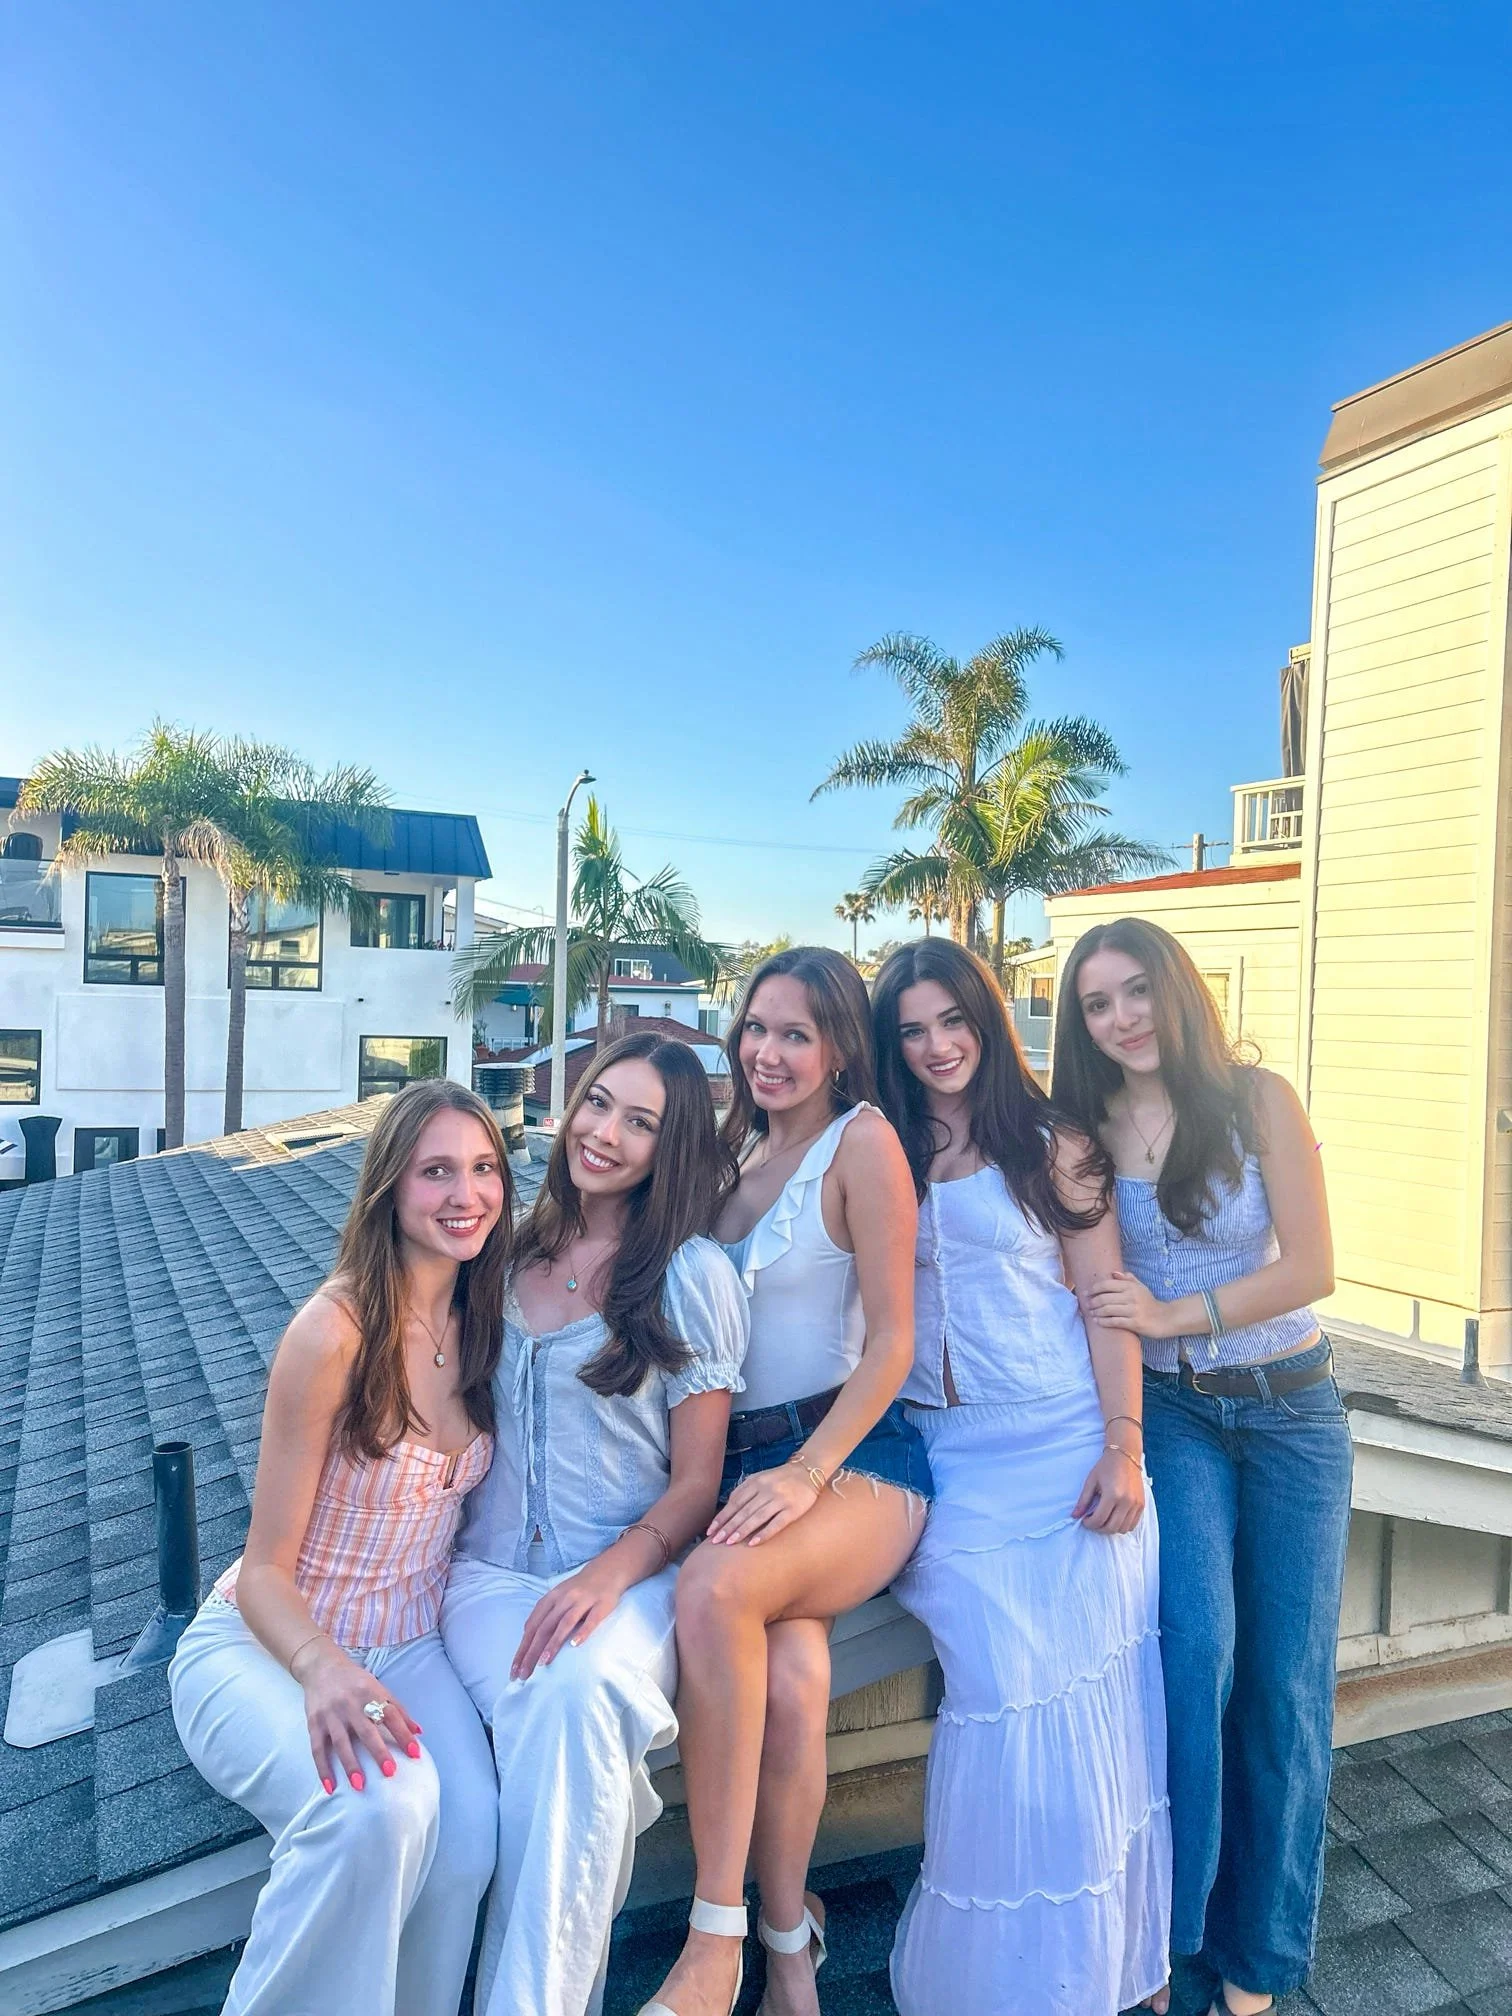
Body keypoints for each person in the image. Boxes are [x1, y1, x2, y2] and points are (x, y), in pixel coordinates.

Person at [871, 939, 1169, 2016]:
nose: (938, 1044)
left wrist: (1124, 1445)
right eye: (912, 1028)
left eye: (953, 1019)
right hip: (942, 1462)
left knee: (1078, 1707)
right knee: (1001, 1684)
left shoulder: (1054, 1144)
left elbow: (1106, 1301)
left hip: (1066, 1449)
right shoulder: (882, 1149)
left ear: (988, 1019)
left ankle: (1075, 1981)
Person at [169, 1079, 512, 2016]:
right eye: (436, 1170)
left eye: (484, 1169)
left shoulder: (488, 1321)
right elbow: (265, 1568)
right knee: (377, 1809)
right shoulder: (334, 1332)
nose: (465, 1194)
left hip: (412, 1646)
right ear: (391, 1188)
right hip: (270, 1641)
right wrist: (321, 1668)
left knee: (472, 1837)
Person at [1055, 917, 1346, 2016]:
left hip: (1294, 1415)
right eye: (1096, 1003)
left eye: (1137, 992)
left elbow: (1318, 1264)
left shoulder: (1258, 1099)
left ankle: (1257, 1963)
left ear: (1178, 990)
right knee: (1196, 1658)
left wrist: (1179, 1309)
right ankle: (1173, 1942)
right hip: (1172, 1417)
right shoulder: (1081, 1129)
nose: (1121, 1018)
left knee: (1283, 1687)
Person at [641, 946, 931, 2016]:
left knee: (714, 1588)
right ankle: (789, 1947)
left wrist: (810, 1474)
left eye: (796, 1034)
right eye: (757, 1027)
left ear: (840, 1047)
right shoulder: (727, 1155)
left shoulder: (865, 1144)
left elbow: (895, 1342)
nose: (768, 1051)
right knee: (797, 1689)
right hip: (743, 1467)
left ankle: (711, 1940)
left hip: (853, 1460)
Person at [440, 1031, 748, 2016]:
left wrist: (606, 1578)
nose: (605, 1133)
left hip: (633, 1580)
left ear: (672, 1146)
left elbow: (697, 1486)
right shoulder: (500, 1252)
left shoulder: (689, 1274)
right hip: (484, 1583)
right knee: (528, 1746)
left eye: (640, 1121)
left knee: (574, 1698)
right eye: (598, 1103)